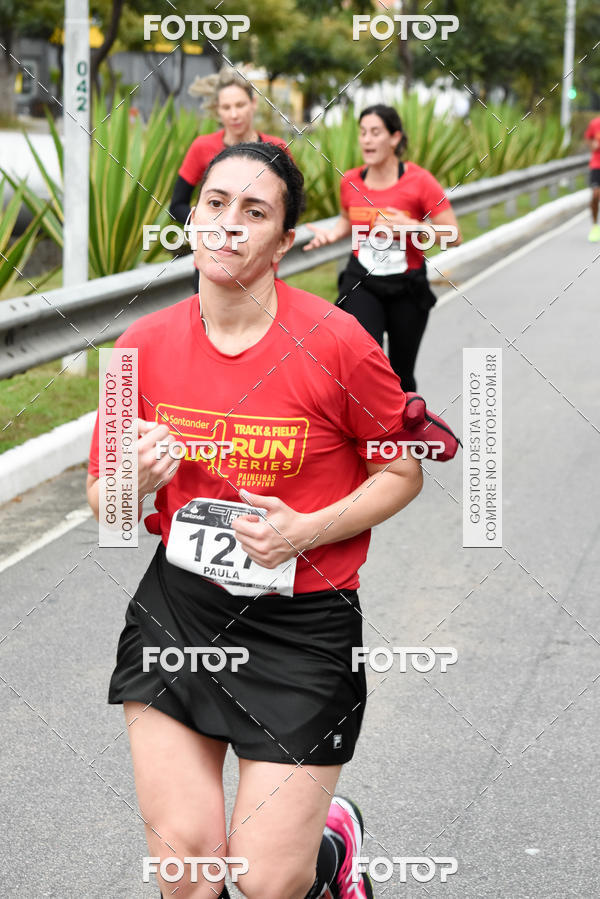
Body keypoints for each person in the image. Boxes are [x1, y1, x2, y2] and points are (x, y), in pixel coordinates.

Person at [87, 142, 424, 899]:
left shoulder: (341, 343)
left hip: (302, 629)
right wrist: (128, 483)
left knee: (268, 881)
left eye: (254, 211)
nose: (228, 225)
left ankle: (332, 851)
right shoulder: (137, 348)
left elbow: (402, 469)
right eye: (214, 204)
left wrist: (305, 529)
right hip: (179, 613)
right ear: (192, 218)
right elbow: (106, 505)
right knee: (189, 873)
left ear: (283, 241)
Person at [304, 104, 461, 393]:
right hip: (362, 282)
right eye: (362, 133)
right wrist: (333, 234)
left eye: (375, 132)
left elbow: (453, 235)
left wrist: (412, 226)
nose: (366, 140)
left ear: (395, 138)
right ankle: (366, 435)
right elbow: (345, 217)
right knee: (364, 363)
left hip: (406, 286)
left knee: (401, 374)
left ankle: (404, 433)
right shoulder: (350, 181)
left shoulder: (419, 181)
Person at [170, 69, 290, 292]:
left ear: (253, 103)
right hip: (211, 260)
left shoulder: (277, 149)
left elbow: (288, 208)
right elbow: (176, 205)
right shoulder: (202, 147)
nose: (234, 114)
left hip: (259, 262)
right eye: (226, 107)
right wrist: (212, 226)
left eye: (240, 105)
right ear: (218, 111)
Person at [584, 114, 600, 242]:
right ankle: (595, 226)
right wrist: (592, 146)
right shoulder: (595, 123)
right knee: (595, 195)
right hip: (597, 164)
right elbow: (588, 138)